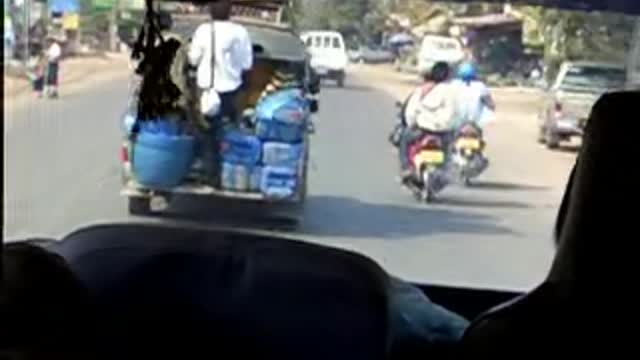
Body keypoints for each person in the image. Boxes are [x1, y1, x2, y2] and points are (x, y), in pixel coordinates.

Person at [188, 0, 253, 124]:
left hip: (205, 89)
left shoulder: (202, 30)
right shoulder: (240, 32)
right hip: (230, 89)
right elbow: (247, 64)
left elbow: (193, 60)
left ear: (210, 12)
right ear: (230, 11)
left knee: (204, 127)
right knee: (227, 128)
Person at [399, 61, 457, 181]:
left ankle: (407, 168)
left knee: (405, 139)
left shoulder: (422, 90)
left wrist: (412, 124)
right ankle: (445, 169)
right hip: (443, 131)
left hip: (423, 130)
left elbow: (411, 112)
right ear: (448, 75)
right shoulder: (452, 91)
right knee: (449, 148)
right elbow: (455, 113)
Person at [452, 62, 495, 130]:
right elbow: (490, 104)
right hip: (475, 123)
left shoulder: (454, 85)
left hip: (458, 123)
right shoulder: (480, 86)